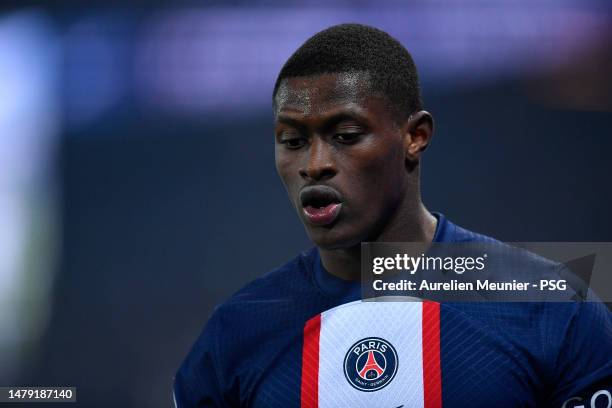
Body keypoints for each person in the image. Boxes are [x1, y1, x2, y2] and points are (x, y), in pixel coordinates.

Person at [173, 24, 611, 407]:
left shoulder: (550, 306)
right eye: (291, 140)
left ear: (415, 136)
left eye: (345, 135)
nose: (314, 163)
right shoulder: (236, 333)